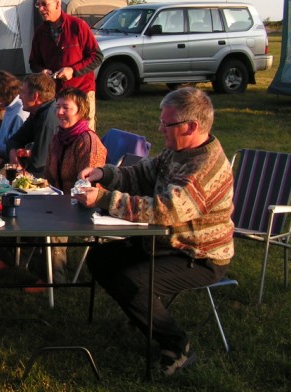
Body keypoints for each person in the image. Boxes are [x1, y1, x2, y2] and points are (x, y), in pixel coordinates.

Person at [79, 86, 234, 376]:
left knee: (133, 281)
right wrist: (104, 173)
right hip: (164, 243)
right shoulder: (177, 151)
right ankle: (142, 315)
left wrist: (103, 198)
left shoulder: (206, 167)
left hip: (197, 255)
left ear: (191, 126)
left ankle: (176, 345)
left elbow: (166, 211)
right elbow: (141, 173)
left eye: (167, 123)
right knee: (100, 259)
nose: (160, 128)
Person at [41, 87, 107, 283]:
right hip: (60, 196)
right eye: (58, 107)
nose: (60, 112)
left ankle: (55, 279)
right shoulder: (59, 137)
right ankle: (24, 262)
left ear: (81, 111)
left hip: (86, 205)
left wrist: (59, 200)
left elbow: (88, 186)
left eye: (66, 108)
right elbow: (48, 173)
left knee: (52, 219)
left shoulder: (87, 142)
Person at [29, 0, 103, 130]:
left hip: (82, 91)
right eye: (38, 5)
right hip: (56, 95)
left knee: (84, 133)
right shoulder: (40, 33)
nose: (41, 9)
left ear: (57, 4)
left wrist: (73, 71)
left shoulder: (78, 26)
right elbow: (33, 62)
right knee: (59, 133)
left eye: (44, 4)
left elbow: (96, 56)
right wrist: (41, 71)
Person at [6, 73, 58, 177]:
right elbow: (15, 140)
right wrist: (13, 153)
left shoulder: (47, 119)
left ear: (35, 96)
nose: (20, 97)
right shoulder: (36, 113)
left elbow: (38, 164)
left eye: (22, 92)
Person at [0, 70, 29, 160]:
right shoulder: (9, 108)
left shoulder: (19, 114)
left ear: (1, 94)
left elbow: (11, 150)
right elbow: (4, 139)